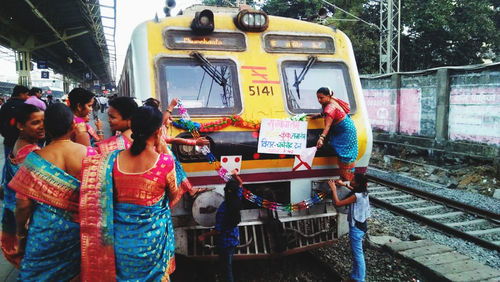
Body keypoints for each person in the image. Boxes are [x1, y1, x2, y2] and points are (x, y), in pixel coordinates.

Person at [80, 106, 180, 281]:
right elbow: (174, 196)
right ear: (158, 131)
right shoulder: (165, 162)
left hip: (120, 243)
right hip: (152, 245)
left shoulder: (111, 160)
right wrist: (163, 149)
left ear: (132, 128)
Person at [8, 103, 97, 280]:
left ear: (46, 128)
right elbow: (100, 197)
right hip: (81, 232)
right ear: (73, 126)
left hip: (45, 233)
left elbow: (23, 205)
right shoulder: (91, 155)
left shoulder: (34, 160)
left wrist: (20, 233)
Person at [0, 104, 44, 267]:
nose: (42, 127)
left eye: (43, 121)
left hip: (11, 212)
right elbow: (26, 200)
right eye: (35, 123)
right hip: (24, 218)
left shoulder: (18, 145)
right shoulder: (32, 153)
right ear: (20, 125)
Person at [146, 97, 210, 205]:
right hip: (159, 155)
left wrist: (193, 142)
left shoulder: (155, 123)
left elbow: (169, 137)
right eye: (159, 108)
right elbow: (166, 132)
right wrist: (171, 106)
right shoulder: (153, 123)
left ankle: (190, 191)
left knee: (178, 171)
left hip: (164, 152)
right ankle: (168, 203)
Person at [198, 171, 243, 282]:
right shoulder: (237, 200)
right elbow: (241, 184)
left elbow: (218, 231)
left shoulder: (223, 209)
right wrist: (236, 176)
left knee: (227, 268)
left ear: (227, 192)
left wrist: (204, 235)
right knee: (228, 263)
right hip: (233, 239)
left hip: (224, 242)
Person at [328, 173, 370, 282]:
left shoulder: (356, 196)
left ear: (357, 183)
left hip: (356, 229)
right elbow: (354, 190)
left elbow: (338, 203)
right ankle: (355, 277)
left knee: (358, 255)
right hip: (361, 226)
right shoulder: (364, 192)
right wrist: (344, 185)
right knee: (357, 254)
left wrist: (333, 189)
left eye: (353, 179)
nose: (351, 179)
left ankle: (360, 279)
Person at [314, 87, 358, 183]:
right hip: (346, 128)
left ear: (328, 96)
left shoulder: (330, 108)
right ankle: (344, 178)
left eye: (321, 98)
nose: (319, 100)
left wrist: (321, 138)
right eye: (318, 98)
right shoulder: (332, 100)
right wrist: (319, 115)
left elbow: (327, 126)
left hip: (346, 132)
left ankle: (346, 180)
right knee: (344, 155)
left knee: (346, 155)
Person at [0, 85, 30, 190]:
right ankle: (20, 187)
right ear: (21, 94)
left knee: (8, 162)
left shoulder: (5, 106)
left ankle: (4, 184)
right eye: (26, 94)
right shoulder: (25, 107)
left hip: (8, 139)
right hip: (22, 140)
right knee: (22, 164)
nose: (28, 97)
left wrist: (4, 134)